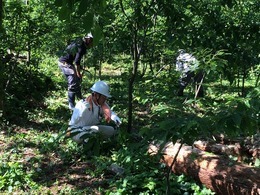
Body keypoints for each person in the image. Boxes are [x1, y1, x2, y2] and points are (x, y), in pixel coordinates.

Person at [58, 33, 94, 110]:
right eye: (90, 40)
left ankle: (80, 98)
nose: (91, 42)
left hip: (69, 63)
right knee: (73, 82)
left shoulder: (79, 42)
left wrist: (79, 69)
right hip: (64, 63)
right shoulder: (81, 46)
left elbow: (76, 59)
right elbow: (77, 61)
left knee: (77, 80)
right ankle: (71, 105)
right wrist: (78, 73)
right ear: (87, 39)